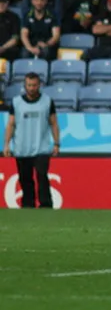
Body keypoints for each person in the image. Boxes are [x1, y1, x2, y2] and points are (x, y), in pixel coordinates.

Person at [3, 73, 60, 209]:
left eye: (34, 85)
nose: (32, 88)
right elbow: (11, 124)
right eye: (29, 85)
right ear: (25, 86)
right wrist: (6, 144)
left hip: (41, 147)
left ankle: (46, 204)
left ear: (39, 85)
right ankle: (28, 204)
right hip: (22, 147)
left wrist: (57, 143)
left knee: (42, 175)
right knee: (25, 179)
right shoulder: (17, 102)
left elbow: (53, 123)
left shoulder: (47, 101)